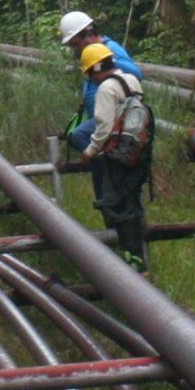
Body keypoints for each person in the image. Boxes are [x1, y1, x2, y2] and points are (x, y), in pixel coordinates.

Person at [78, 42, 151, 272]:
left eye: (90, 72)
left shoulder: (106, 89)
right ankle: (139, 256)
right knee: (132, 200)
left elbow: (104, 127)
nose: (91, 78)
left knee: (115, 204)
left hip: (118, 154)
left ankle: (130, 259)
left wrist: (90, 151)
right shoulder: (131, 80)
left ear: (96, 69)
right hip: (138, 151)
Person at [58, 10, 144, 155]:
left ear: (87, 36)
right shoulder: (90, 52)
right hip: (100, 113)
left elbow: (136, 73)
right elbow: (94, 78)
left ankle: (104, 160)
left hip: (114, 113)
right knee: (76, 137)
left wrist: (107, 61)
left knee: (79, 136)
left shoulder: (110, 49)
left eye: (75, 44)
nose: (75, 49)